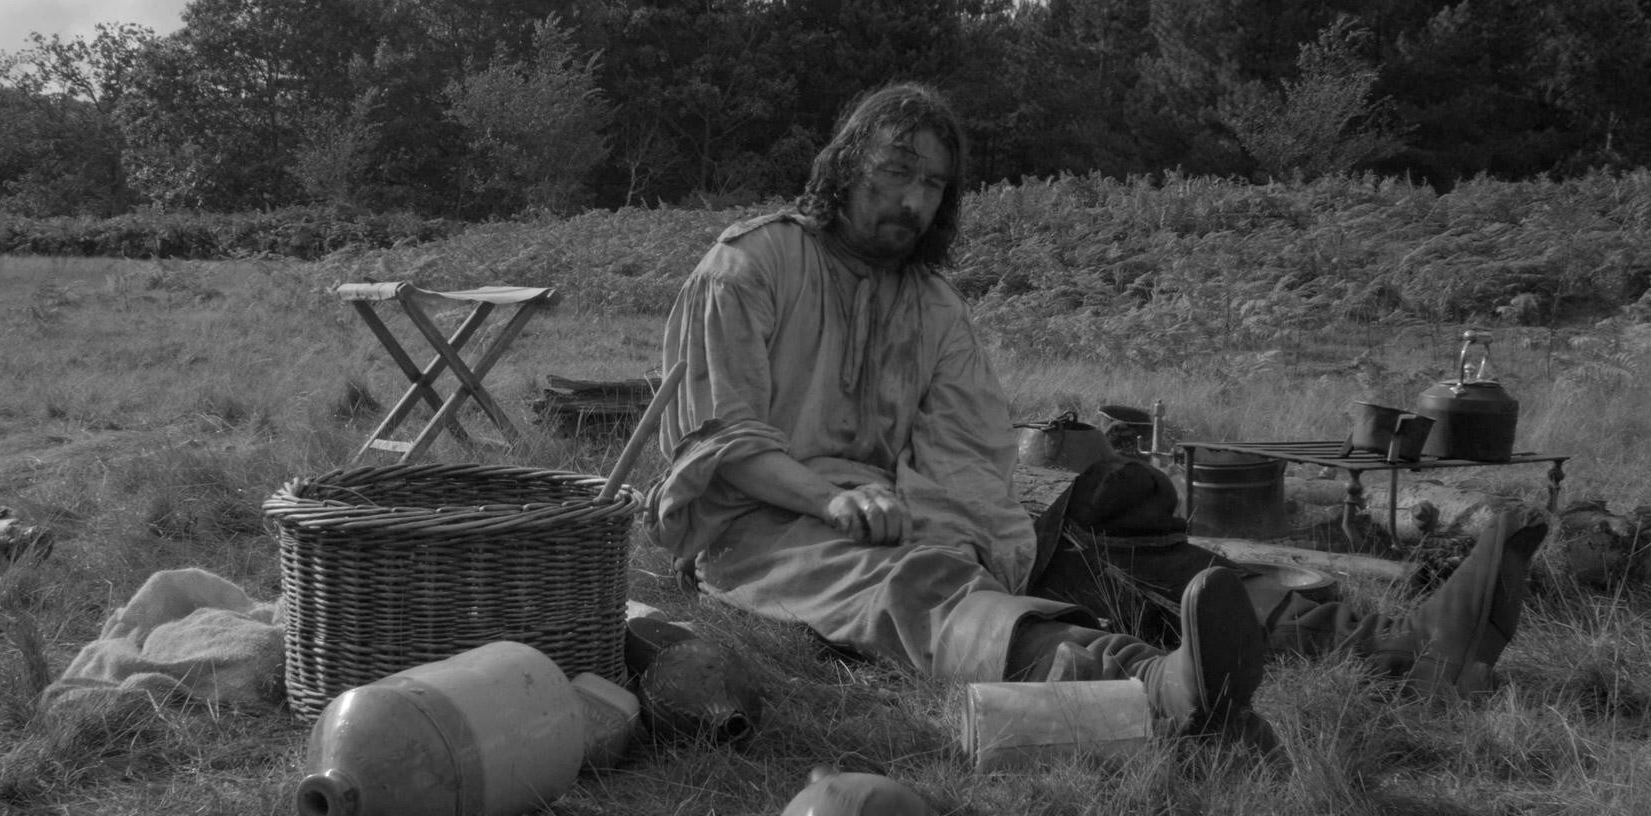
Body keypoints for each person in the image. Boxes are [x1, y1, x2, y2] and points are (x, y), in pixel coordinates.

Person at [646, 82, 1548, 753]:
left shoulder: (933, 307)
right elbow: (716, 443)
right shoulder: (749, 268)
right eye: (895, 172)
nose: (914, 200)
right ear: (844, 166)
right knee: (918, 585)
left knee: (1107, 523)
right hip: (759, 533)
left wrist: (965, 536)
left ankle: (1397, 643)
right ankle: (1154, 687)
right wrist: (832, 501)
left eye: (933, 183)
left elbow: (964, 451)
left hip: (900, 515)